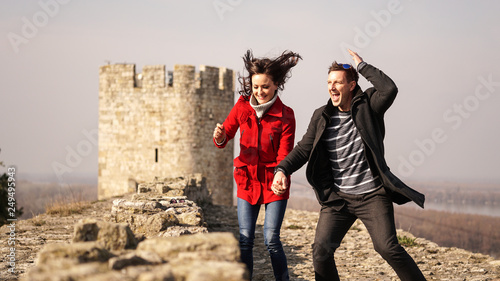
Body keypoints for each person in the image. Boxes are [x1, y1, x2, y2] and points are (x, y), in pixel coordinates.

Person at [272, 49, 427, 281]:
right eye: (329, 82)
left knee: (387, 247)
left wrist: (363, 66)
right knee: (321, 250)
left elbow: (389, 89)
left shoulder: (369, 107)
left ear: (352, 85)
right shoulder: (321, 115)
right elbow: (304, 148)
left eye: (338, 82)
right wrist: (282, 169)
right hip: (339, 199)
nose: (332, 87)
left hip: (373, 195)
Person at [213, 49, 301, 281]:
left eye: (265, 86)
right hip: (247, 180)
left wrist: (281, 174)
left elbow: (285, 152)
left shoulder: (286, 115)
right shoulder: (242, 107)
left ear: (276, 85)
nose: (259, 91)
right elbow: (225, 136)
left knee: (271, 239)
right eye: (255, 86)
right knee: (245, 239)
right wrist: (220, 135)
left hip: (275, 182)